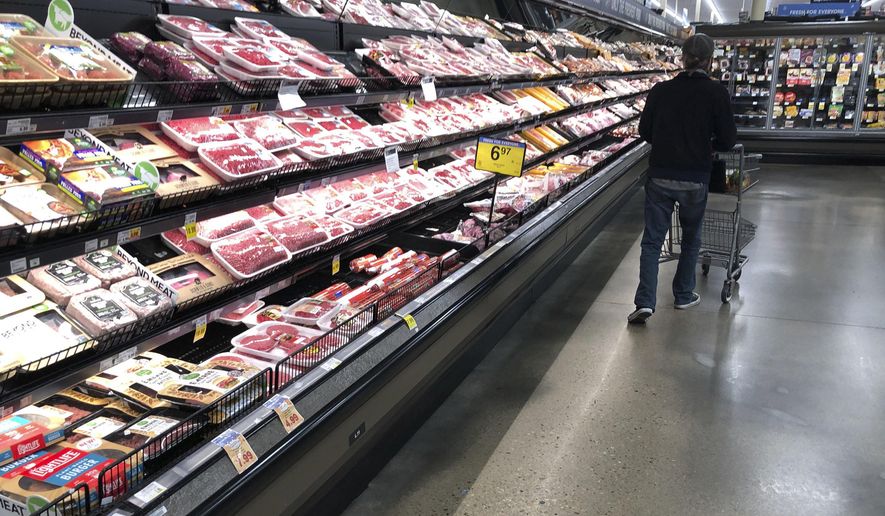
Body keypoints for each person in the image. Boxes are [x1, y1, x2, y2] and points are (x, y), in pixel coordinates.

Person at [628, 33, 737, 324]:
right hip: (694, 177)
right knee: (691, 239)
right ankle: (683, 295)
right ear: (710, 61)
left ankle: (645, 302)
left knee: (652, 241)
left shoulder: (660, 90)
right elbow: (727, 139)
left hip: (660, 175)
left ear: (682, 57)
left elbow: (644, 131)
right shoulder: (717, 93)